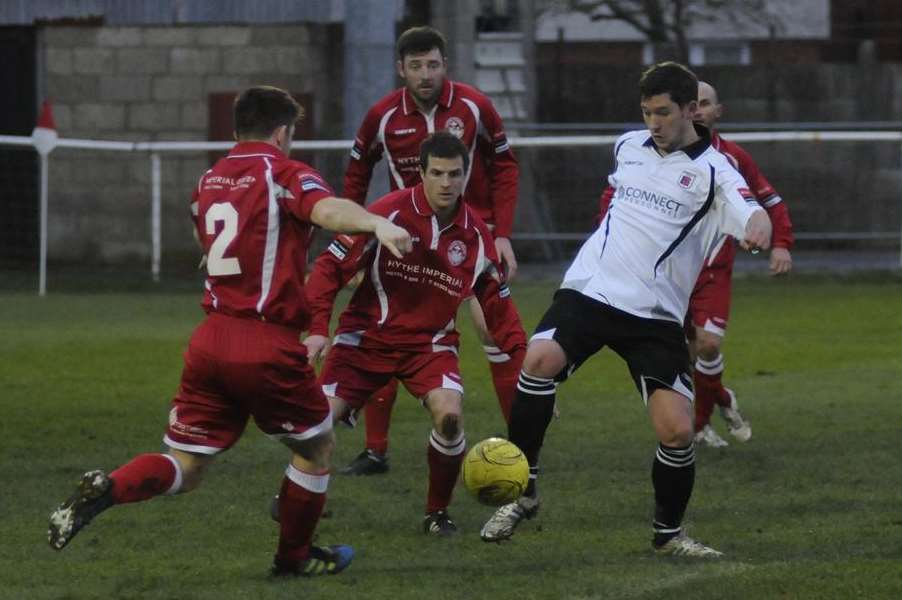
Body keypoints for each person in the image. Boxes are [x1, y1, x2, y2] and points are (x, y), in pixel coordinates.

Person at [46, 86, 412, 577]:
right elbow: (326, 211)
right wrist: (374, 223)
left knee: (186, 466)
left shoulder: (210, 179)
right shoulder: (283, 172)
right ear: (282, 133)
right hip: (264, 342)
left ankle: (110, 488)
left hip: (210, 342)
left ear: (237, 128)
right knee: (317, 447)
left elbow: (206, 226)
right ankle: (293, 559)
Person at [478, 62, 772, 557]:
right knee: (537, 361)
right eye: (645, 112)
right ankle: (523, 491)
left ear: (690, 111)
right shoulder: (627, 145)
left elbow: (749, 208)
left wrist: (759, 225)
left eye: (662, 112)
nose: (652, 122)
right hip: (591, 290)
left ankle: (668, 537)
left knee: (677, 430)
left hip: (655, 315)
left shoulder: (716, 173)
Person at [306, 131, 526, 534]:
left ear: (466, 174)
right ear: (420, 174)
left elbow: (497, 306)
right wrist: (318, 329)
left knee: (450, 420)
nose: (446, 183)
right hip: (365, 338)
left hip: (431, 345)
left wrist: (525, 367)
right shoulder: (385, 214)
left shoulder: (476, 236)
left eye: (455, 174)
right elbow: (327, 269)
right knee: (316, 425)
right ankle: (298, 500)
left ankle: (436, 513)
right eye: (437, 173)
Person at [339, 26, 523, 475]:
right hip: (406, 243)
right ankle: (376, 450)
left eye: (434, 64)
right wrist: (360, 235)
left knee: (492, 330)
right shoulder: (382, 116)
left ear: (446, 65)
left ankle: (521, 442)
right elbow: (357, 174)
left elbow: (504, 166)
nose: (426, 74)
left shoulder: (475, 106)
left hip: (470, 239)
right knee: (388, 335)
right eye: (416, 65)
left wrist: (502, 233)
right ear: (401, 68)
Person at [687, 80, 794, 447]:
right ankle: (722, 401)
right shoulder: (661, 156)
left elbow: (771, 202)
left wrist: (780, 244)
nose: (697, 109)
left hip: (714, 272)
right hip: (669, 273)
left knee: (708, 346)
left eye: (704, 103)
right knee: (683, 359)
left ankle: (698, 423)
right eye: (691, 103)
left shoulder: (734, 158)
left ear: (718, 112)